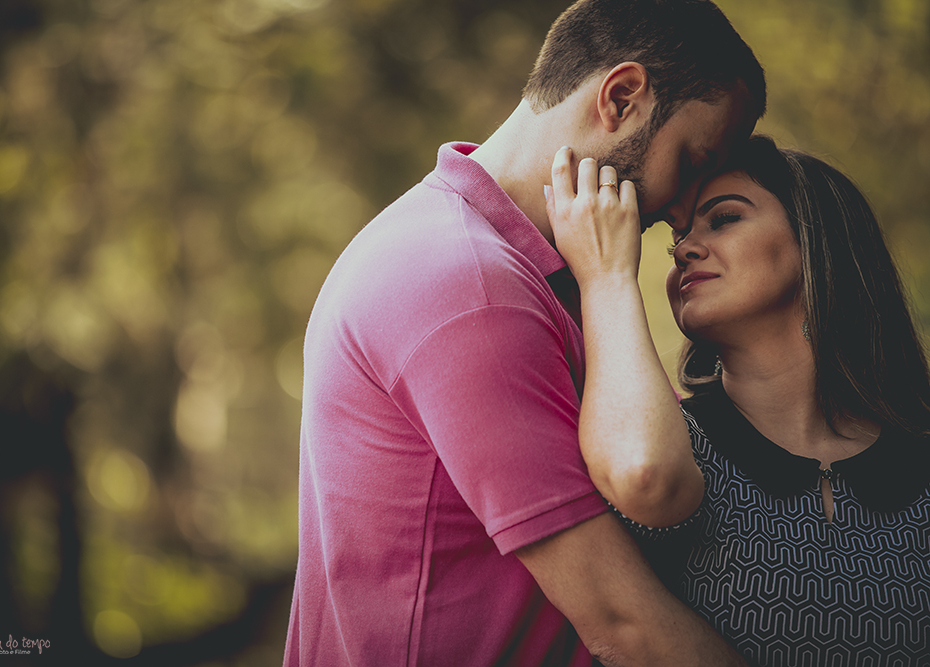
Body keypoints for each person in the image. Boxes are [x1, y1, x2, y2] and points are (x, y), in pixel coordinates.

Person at [283, 0, 768, 664]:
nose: (685, 212)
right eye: (690, 162)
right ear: (621, 98)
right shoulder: (470, 289)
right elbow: (623, 622)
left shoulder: (502, 263)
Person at [547, 134, 930, 665]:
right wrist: (606, 277)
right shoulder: (664, 447)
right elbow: (644, 475)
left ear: (818, 241)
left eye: (723, 219)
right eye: (676, 239)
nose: (683, 249)